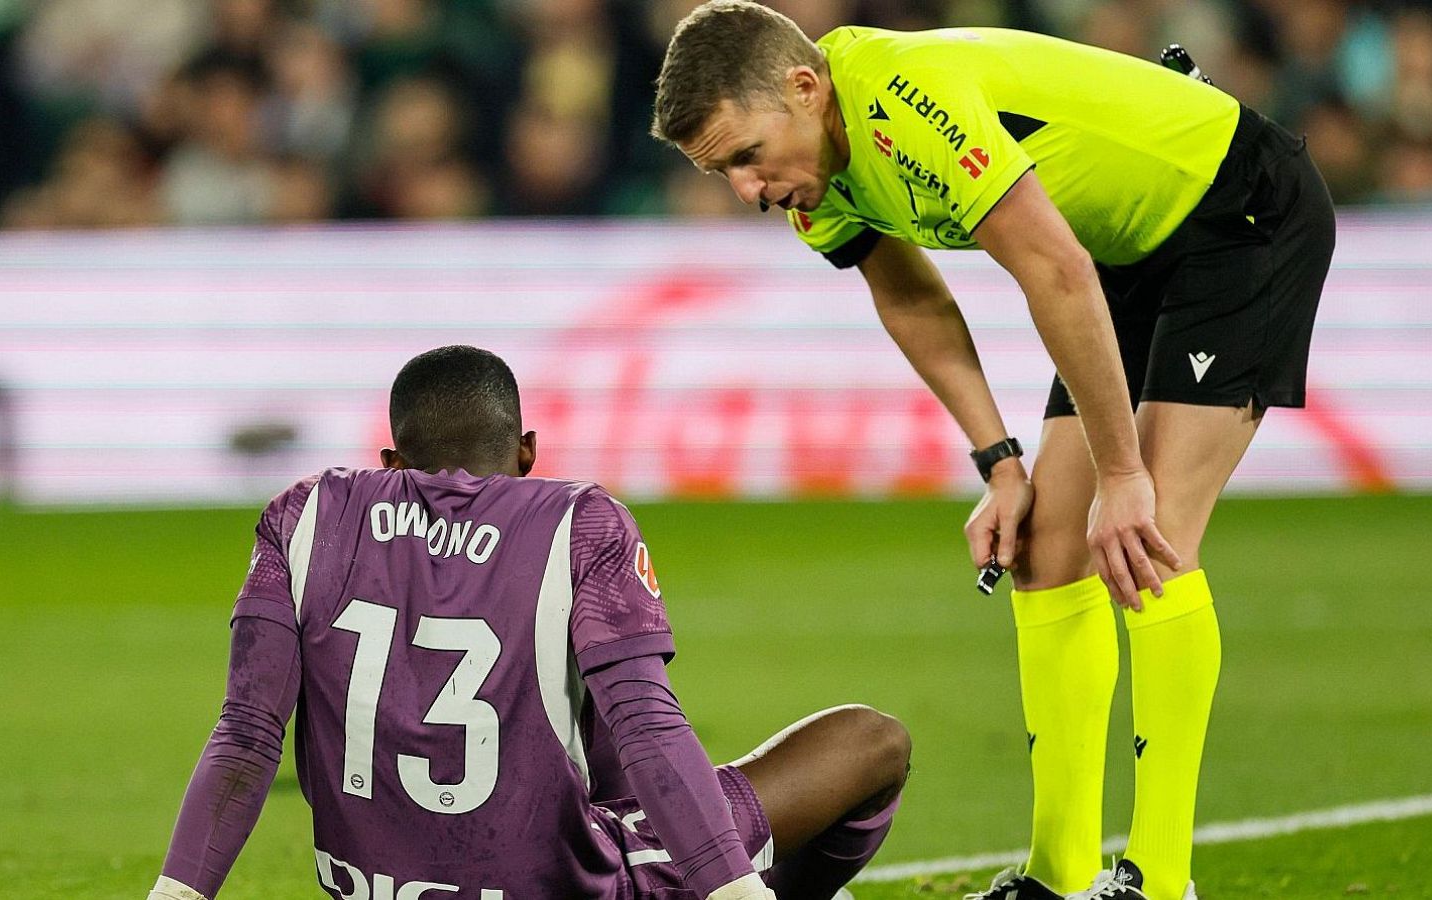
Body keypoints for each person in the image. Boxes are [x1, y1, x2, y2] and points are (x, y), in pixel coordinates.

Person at [651, 5, 1335, 900]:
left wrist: (1123, 474)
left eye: (744, 156)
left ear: (804, 87)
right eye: (721, 172)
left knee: (1149, 532)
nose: (746, 189)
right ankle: (1058, 878)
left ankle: (1163, 882)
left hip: (1239, 214)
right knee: (1048, 548)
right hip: (1129, 250)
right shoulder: (815, 166)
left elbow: (1053, 268)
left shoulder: (905, 101)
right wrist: (1002, 464)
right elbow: (912, 299)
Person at [146, 345, 909, 900]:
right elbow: (647, 724)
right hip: (561, 887)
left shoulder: (303, 515)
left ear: (391, 457)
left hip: (373, 887)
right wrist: (735, 893)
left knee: (584, 720)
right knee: (872, 742)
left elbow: (245, 735)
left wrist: (175, 895)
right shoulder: (580, 521)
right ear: (527, 451)